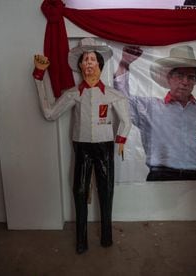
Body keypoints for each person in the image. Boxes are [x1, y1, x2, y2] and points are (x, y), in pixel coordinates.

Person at [33, 38, 131, 254]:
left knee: (106, 192)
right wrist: (39, 77)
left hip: (105, 148)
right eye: (85, 59)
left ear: (100, 65)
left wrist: (121, 139)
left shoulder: (114, 95)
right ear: (79, 66)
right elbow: (50, 114)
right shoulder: (73, 94)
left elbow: (126, 120)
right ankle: (81, 240)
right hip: (82, 149)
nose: (88, 63)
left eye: (93, 60)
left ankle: (107, 237)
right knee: (79, 192)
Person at [114, 45, 196, 181]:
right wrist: (124, 64)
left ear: (195, 81)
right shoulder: (150, 108)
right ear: (169, 77)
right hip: (162, 177)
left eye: (190, 77)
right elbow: (120, 99)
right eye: (180, 75)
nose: (185, 82)